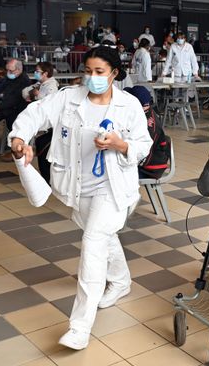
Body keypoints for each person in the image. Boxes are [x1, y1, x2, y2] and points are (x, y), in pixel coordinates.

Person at [8, 45, 152, 350]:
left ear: (114, 73)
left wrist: (120, 145)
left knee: (92, 244)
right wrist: (20, 137)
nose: (92, 77)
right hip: (77, 187)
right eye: (88, 71)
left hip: (112, 187)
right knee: (99, 235)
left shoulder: (128, 105)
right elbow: (36, 113)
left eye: (99, 72)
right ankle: (122, 280)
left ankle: (79, 326)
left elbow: (144, 146)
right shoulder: (68, 97)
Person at [124, 86, 170, 180]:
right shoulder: (143, 113)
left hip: (150, 168)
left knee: (117, 176)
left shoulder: (150, 126)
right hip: (147, 162)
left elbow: (144, 153)